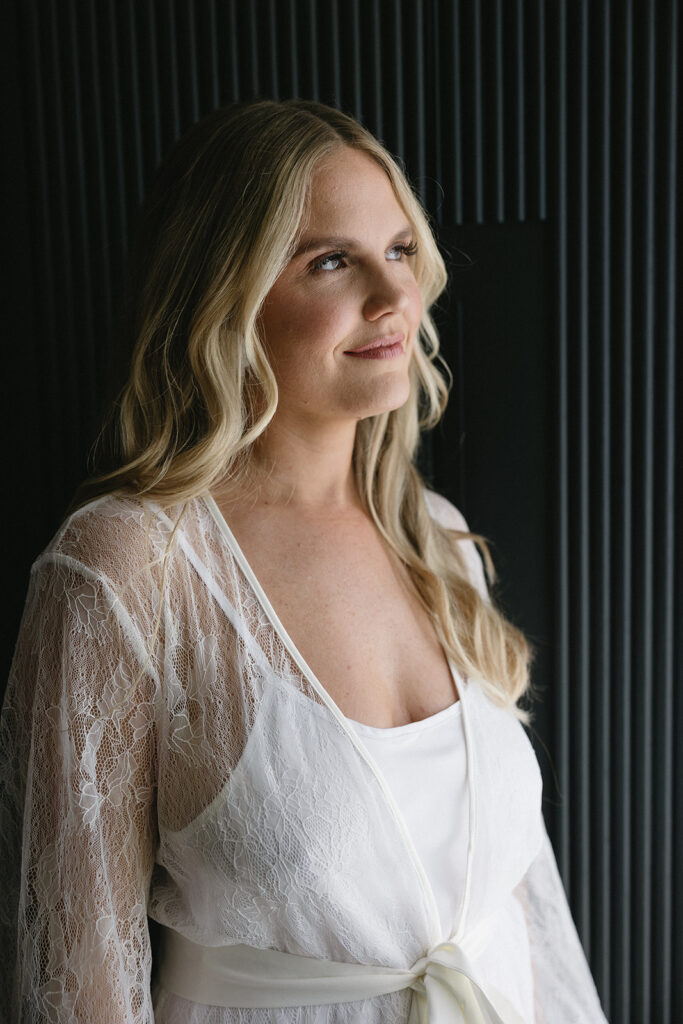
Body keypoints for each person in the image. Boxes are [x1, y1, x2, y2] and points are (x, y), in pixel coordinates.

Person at [0, 100, 608, 1023]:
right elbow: (78, 979)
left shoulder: (436, 538)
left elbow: (523, 915)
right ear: (224, 295)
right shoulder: (126, 570)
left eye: (401, 250)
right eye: (331, 259)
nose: (395, 296)